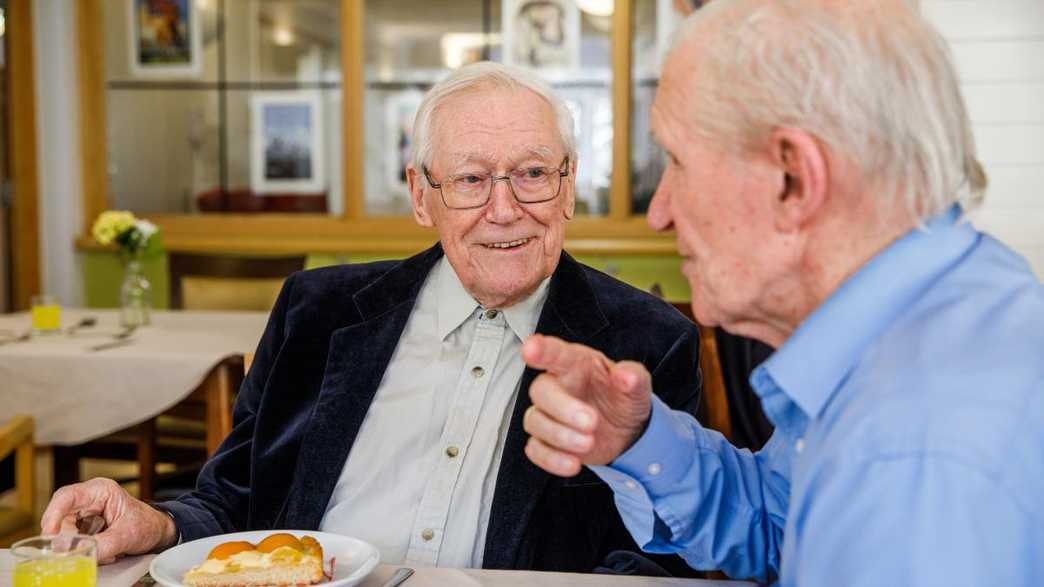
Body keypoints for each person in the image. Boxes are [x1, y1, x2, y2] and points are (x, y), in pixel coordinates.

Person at [40, 62, 703, 574]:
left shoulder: (646, 346)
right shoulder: (316, 314)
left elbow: (660, 556)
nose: (505, 209)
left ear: (568, 185)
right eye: (471, 180)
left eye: (532, 173)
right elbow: (234, 501)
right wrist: (156, 523)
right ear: (421, 195)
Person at [520, 1, 1044, 585]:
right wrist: (637, 440)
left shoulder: (913, 457)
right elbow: (783, 524)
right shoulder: (933, 318)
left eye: (677, 160)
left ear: (793, 179)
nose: (659, 213)